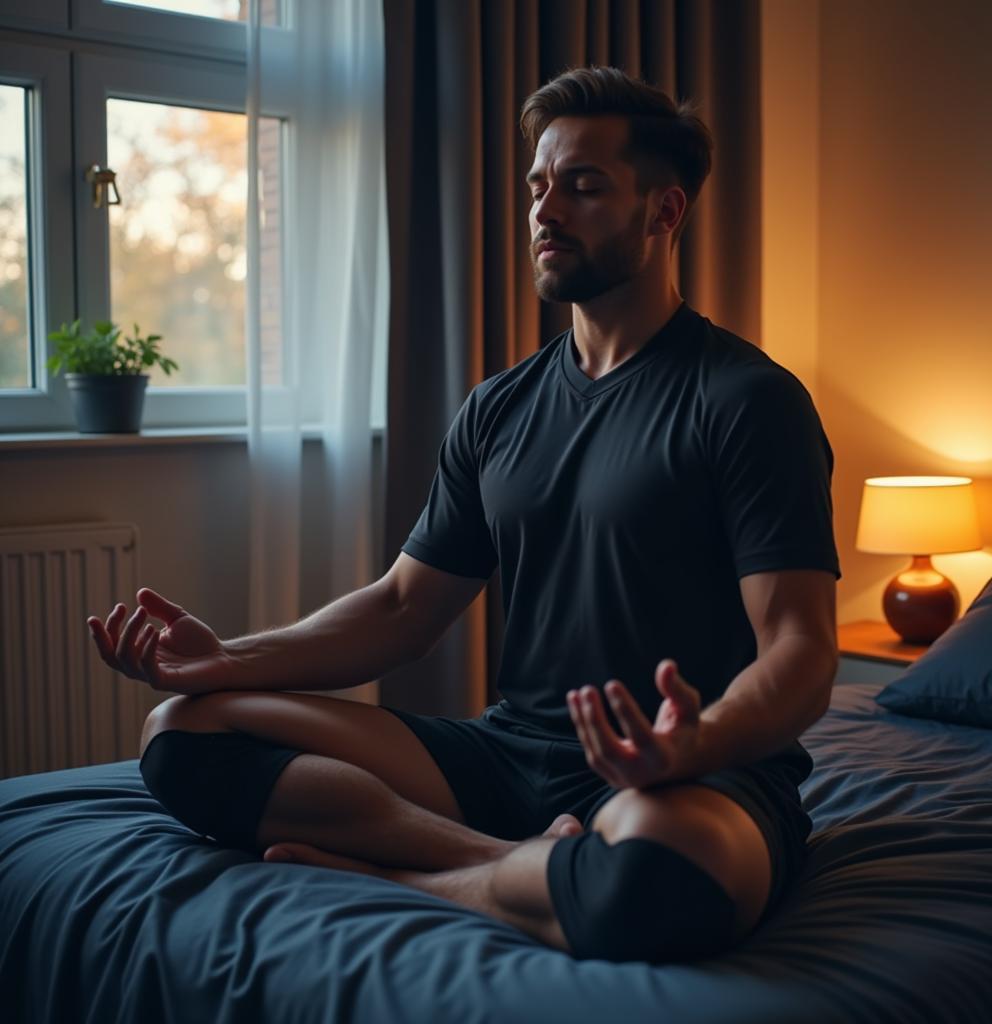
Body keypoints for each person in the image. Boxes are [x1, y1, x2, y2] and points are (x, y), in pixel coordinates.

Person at [88, 66, 840, 964]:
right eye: (538, 185)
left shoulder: (747, 400)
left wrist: (695, 742)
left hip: (683, 773)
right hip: (508, 755)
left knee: (659, 871)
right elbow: (405, 608)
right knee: (183, 733)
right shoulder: (498, 407)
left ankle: (408, 878)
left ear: (664, 212)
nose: (545, 209)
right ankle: (505, 867)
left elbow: (800, 648)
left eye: (584, 185)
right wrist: (227, 660)